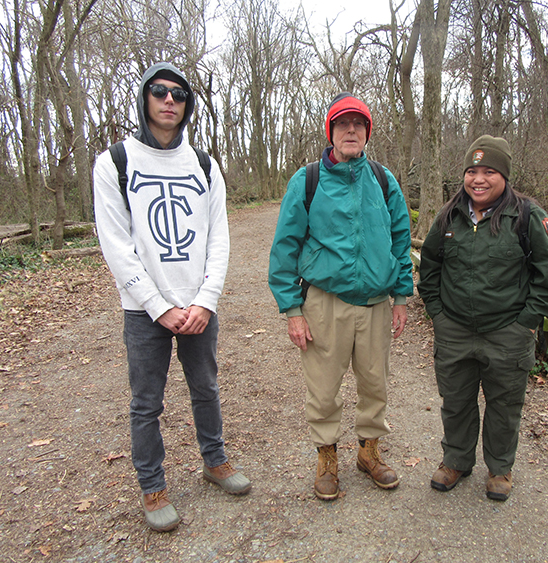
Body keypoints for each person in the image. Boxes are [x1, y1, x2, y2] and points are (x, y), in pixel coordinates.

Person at [93, 62, 251, 532]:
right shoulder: (115, 161)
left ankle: (214, 459)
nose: (168, 101)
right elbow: (116, 245)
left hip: (199, 304)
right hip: (144, 311)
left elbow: (218, 238)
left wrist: (205, 300)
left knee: (206, 387)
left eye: (178, 94)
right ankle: (152, 485)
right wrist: (159, 306)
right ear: (145, 99)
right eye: (159, 92)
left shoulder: (204, 166)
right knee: (147, 401)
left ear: (188, 105)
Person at [268, 92, 413, 500]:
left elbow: (400, 241)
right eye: (343, 124)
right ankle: (326, 457)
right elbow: (285, 247)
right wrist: (293, 309)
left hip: (375, 305)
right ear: (331, 131)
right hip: (324, 304)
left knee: (375, 383)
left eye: (359, 124)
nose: (351, 130)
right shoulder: (308, 180)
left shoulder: (384, 181)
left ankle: (369, 452)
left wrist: (401, 295)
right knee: (323, 387)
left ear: (367, 132)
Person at [418, 135, 548, 501]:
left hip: (507, 332)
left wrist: (527, 321)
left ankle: (500, 468)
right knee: (456, 401)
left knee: (504, 404)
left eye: (488, 171)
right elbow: (430, 268)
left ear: (504, 176)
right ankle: (456, 461)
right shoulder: (447, 216)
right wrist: (437, 313)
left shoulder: (528, 216)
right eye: (472, 171)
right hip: (454, 330)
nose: (478, 179)